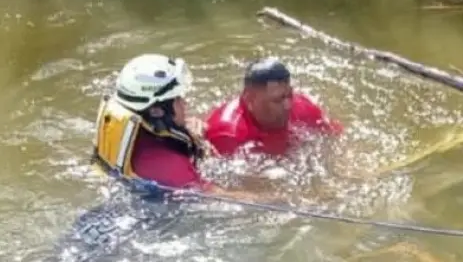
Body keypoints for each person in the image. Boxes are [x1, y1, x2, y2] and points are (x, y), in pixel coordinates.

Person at [92, 53, 212, 191]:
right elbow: (221, 197)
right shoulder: (171, 164)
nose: (185, 103)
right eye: (178, 99)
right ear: (156, 111)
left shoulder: (139, 135)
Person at [204, 57, 342, 157]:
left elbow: (336, 136)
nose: (288, 105)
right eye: (277, 100)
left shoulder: (302, 105)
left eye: (289, 95)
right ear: (249, 99)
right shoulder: (227, 134)